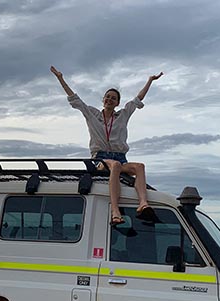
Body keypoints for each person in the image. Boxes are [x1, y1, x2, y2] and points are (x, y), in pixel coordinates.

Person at [50, 66, 163, 225]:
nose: (110, 99)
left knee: (139, 167)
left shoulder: (123, 114)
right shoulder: (92, 113)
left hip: (120, 158)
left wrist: (150, 81)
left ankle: (143, 204)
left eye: (113, 98)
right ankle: (115, 211)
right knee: (115, 166)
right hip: (100, 159)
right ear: (103, 99)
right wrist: (60, 78)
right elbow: (74, 98)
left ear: (117, 103)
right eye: (107, 97)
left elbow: (138, 99)